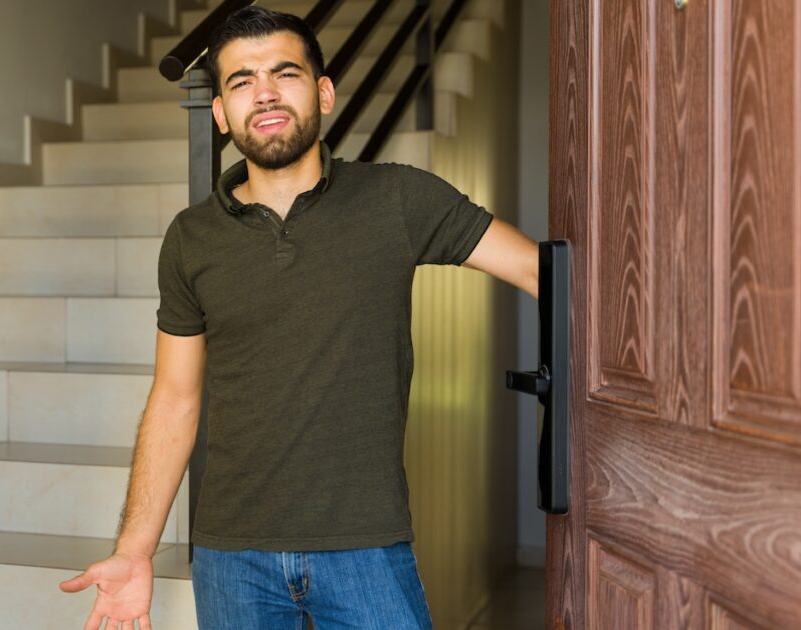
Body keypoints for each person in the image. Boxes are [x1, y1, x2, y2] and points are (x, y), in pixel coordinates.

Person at [59, 6, 539, 629]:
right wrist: (134, 549)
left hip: (366, 546)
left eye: (284, 73)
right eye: (240, 81)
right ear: (221, 114)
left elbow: (541, 272)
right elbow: (175, 398)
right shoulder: (190, 238)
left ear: (324, 91)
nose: (264, 93)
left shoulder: (397, 199)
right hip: (232, 554)